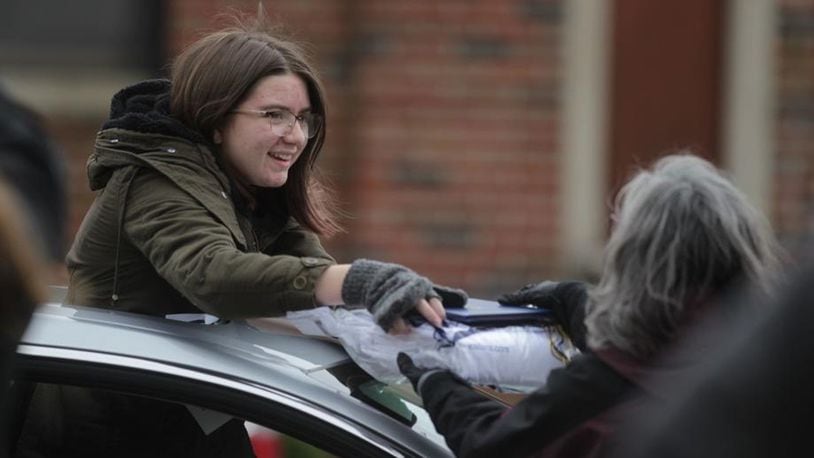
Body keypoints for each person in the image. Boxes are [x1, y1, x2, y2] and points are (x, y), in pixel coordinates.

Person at [14, 16, 465, 458]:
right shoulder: (155, 180)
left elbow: (309, 272)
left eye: (303, 119)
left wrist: (402, 314)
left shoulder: (249, 187)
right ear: (216, 119)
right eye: (274, 115)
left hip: (191, 415)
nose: (296, 136)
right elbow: (214, 276)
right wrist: (359, 282)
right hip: (105, 430)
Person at [397, 153, 784, 458]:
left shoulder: (606, 385)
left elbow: (496, 446)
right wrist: (575, 301)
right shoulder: (767, 361)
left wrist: (436, 382)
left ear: (633, 260)